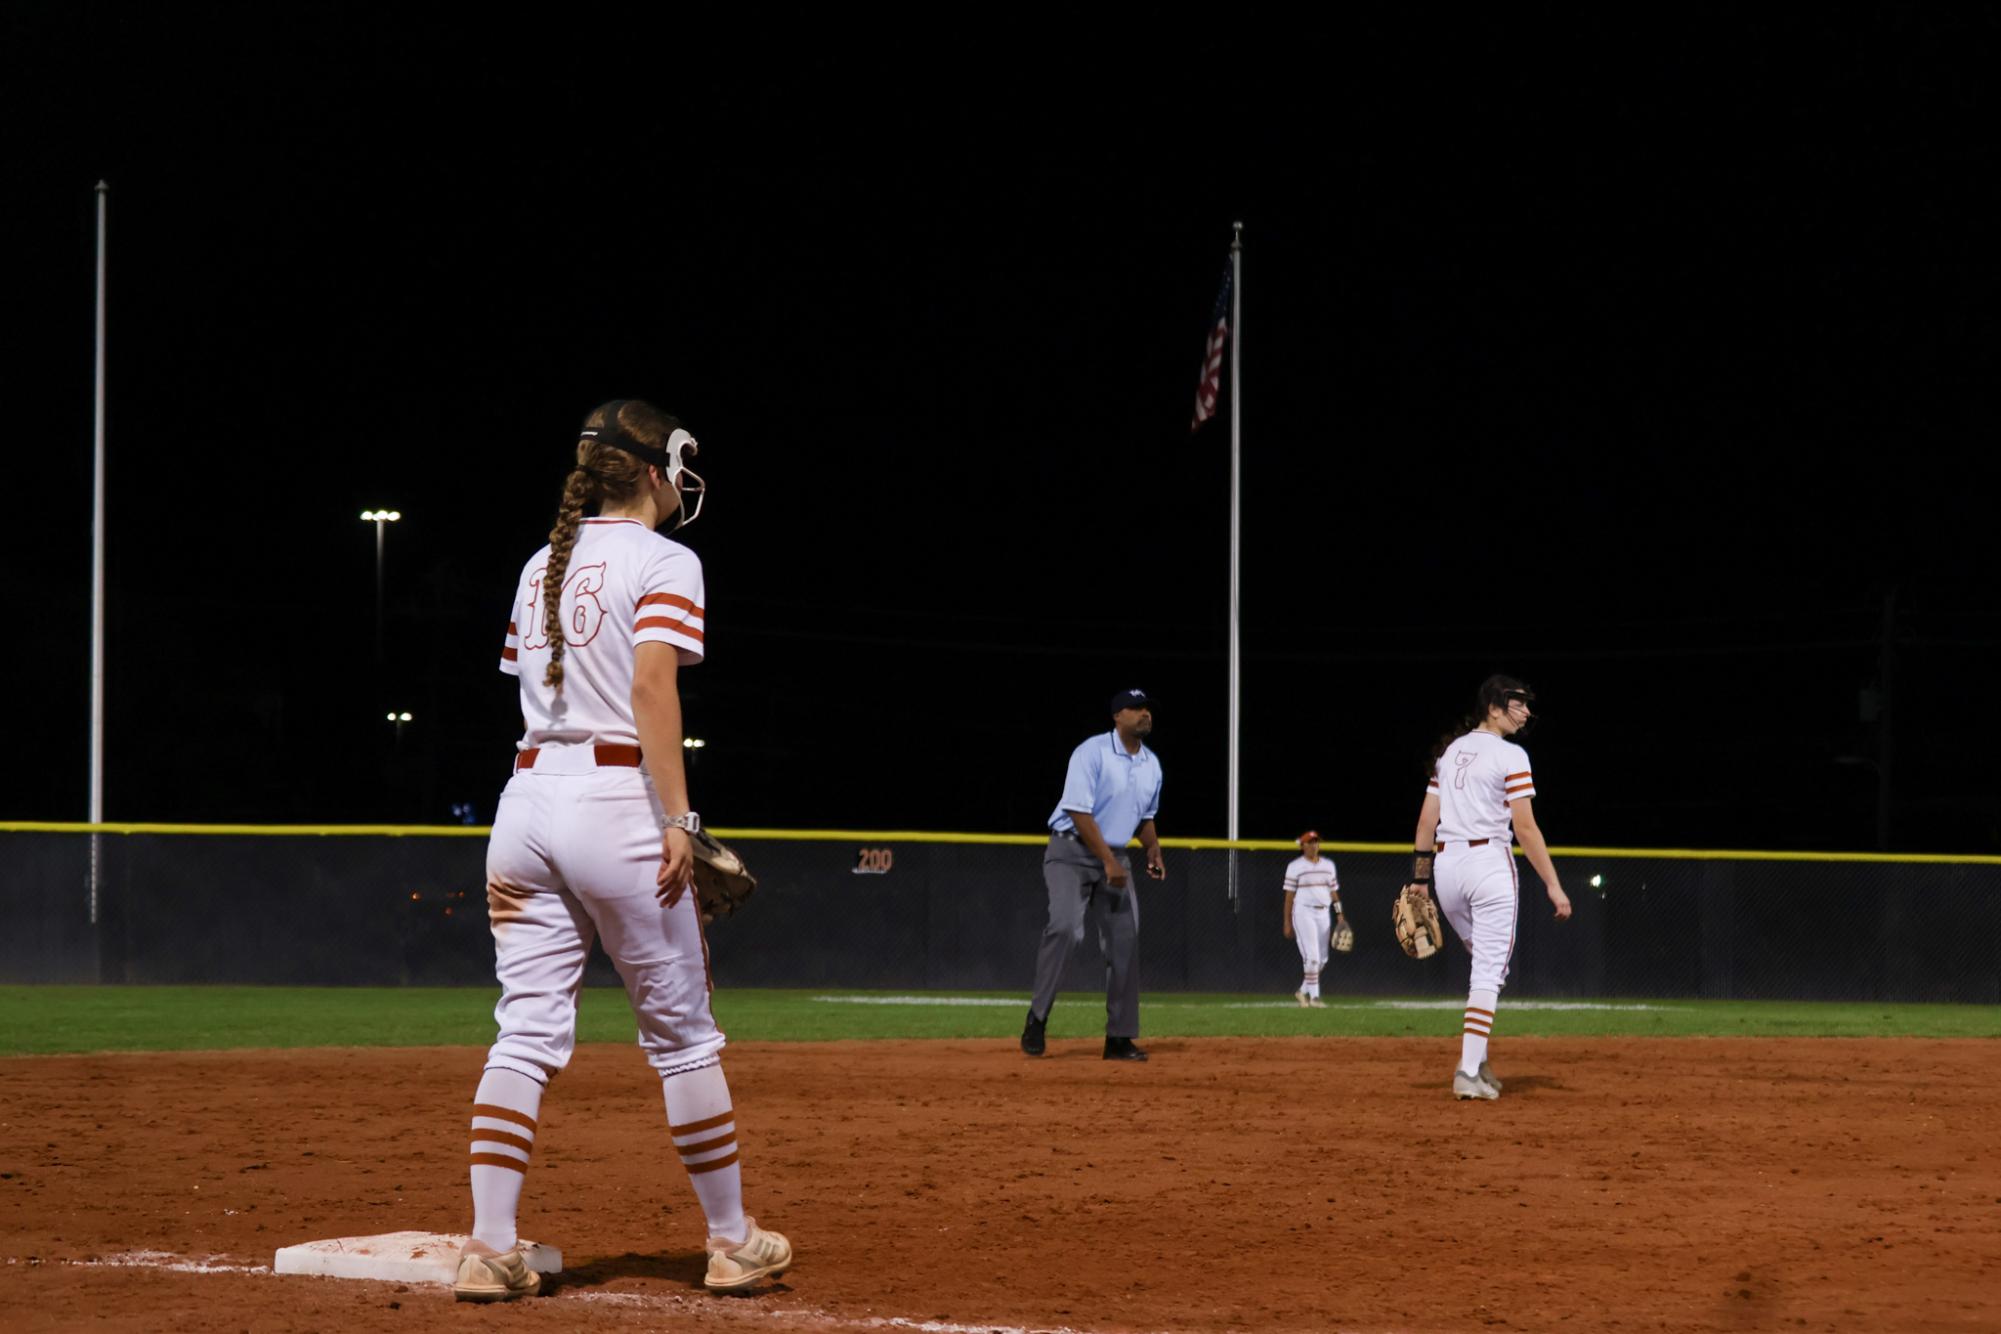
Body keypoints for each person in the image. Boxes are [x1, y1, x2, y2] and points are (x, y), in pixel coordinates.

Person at [455, 399, 791, 1302]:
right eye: (678, 463)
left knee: (522, 1033)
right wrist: (678, 819)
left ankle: (489, 1248)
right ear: (651, 471)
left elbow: (534, 688)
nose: (685, 480)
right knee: (682, 1038)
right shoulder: (667, 557)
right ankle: (729, 1241)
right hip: (615, 803)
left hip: (524, 804)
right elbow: (650, 687)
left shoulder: (538, 565)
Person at [1404, 675, 1571, 1101]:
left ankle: (1477, 1060)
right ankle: (1467, 1071)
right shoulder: (1511, 755)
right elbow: (1525, 828)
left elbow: (1426, 823)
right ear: (1493, 708)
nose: (1526, 711)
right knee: (1488, 972)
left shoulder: (1450, 752)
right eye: (1518, 703)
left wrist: (1420, 880)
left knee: (1488, 968)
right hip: (1487, 865)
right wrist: (1554, 885)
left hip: (1446, 868)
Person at [1021, 689, 1166, 1062]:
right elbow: (1079, 812)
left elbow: (1144, 817)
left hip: (1115, 856)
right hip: (1071, 852)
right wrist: (1108, 862)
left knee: (1125, 941)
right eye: (1135, 708)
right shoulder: (1093, 752)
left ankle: (1118, 1038)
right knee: (1067, 927)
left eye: (1146, 708)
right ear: (1117, 716)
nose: (1144, 713)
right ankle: (1037, 1018)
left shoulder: (1151, 764)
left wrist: (1152, 848)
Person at [1281, 830, 1344, 1007]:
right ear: (1302, 845)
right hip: (1303, 912)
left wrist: (1340, 915)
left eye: (1316, 841)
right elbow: (1289, 896)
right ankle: (1314, 998)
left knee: (1322, 959)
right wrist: (1287, 922)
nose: (1314, 845)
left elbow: (1333, 892)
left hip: (1323, 913)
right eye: (1310, 842)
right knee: (1313, 957)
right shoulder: (1295, 866)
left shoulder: (1328, 865)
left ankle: (1302, 991)